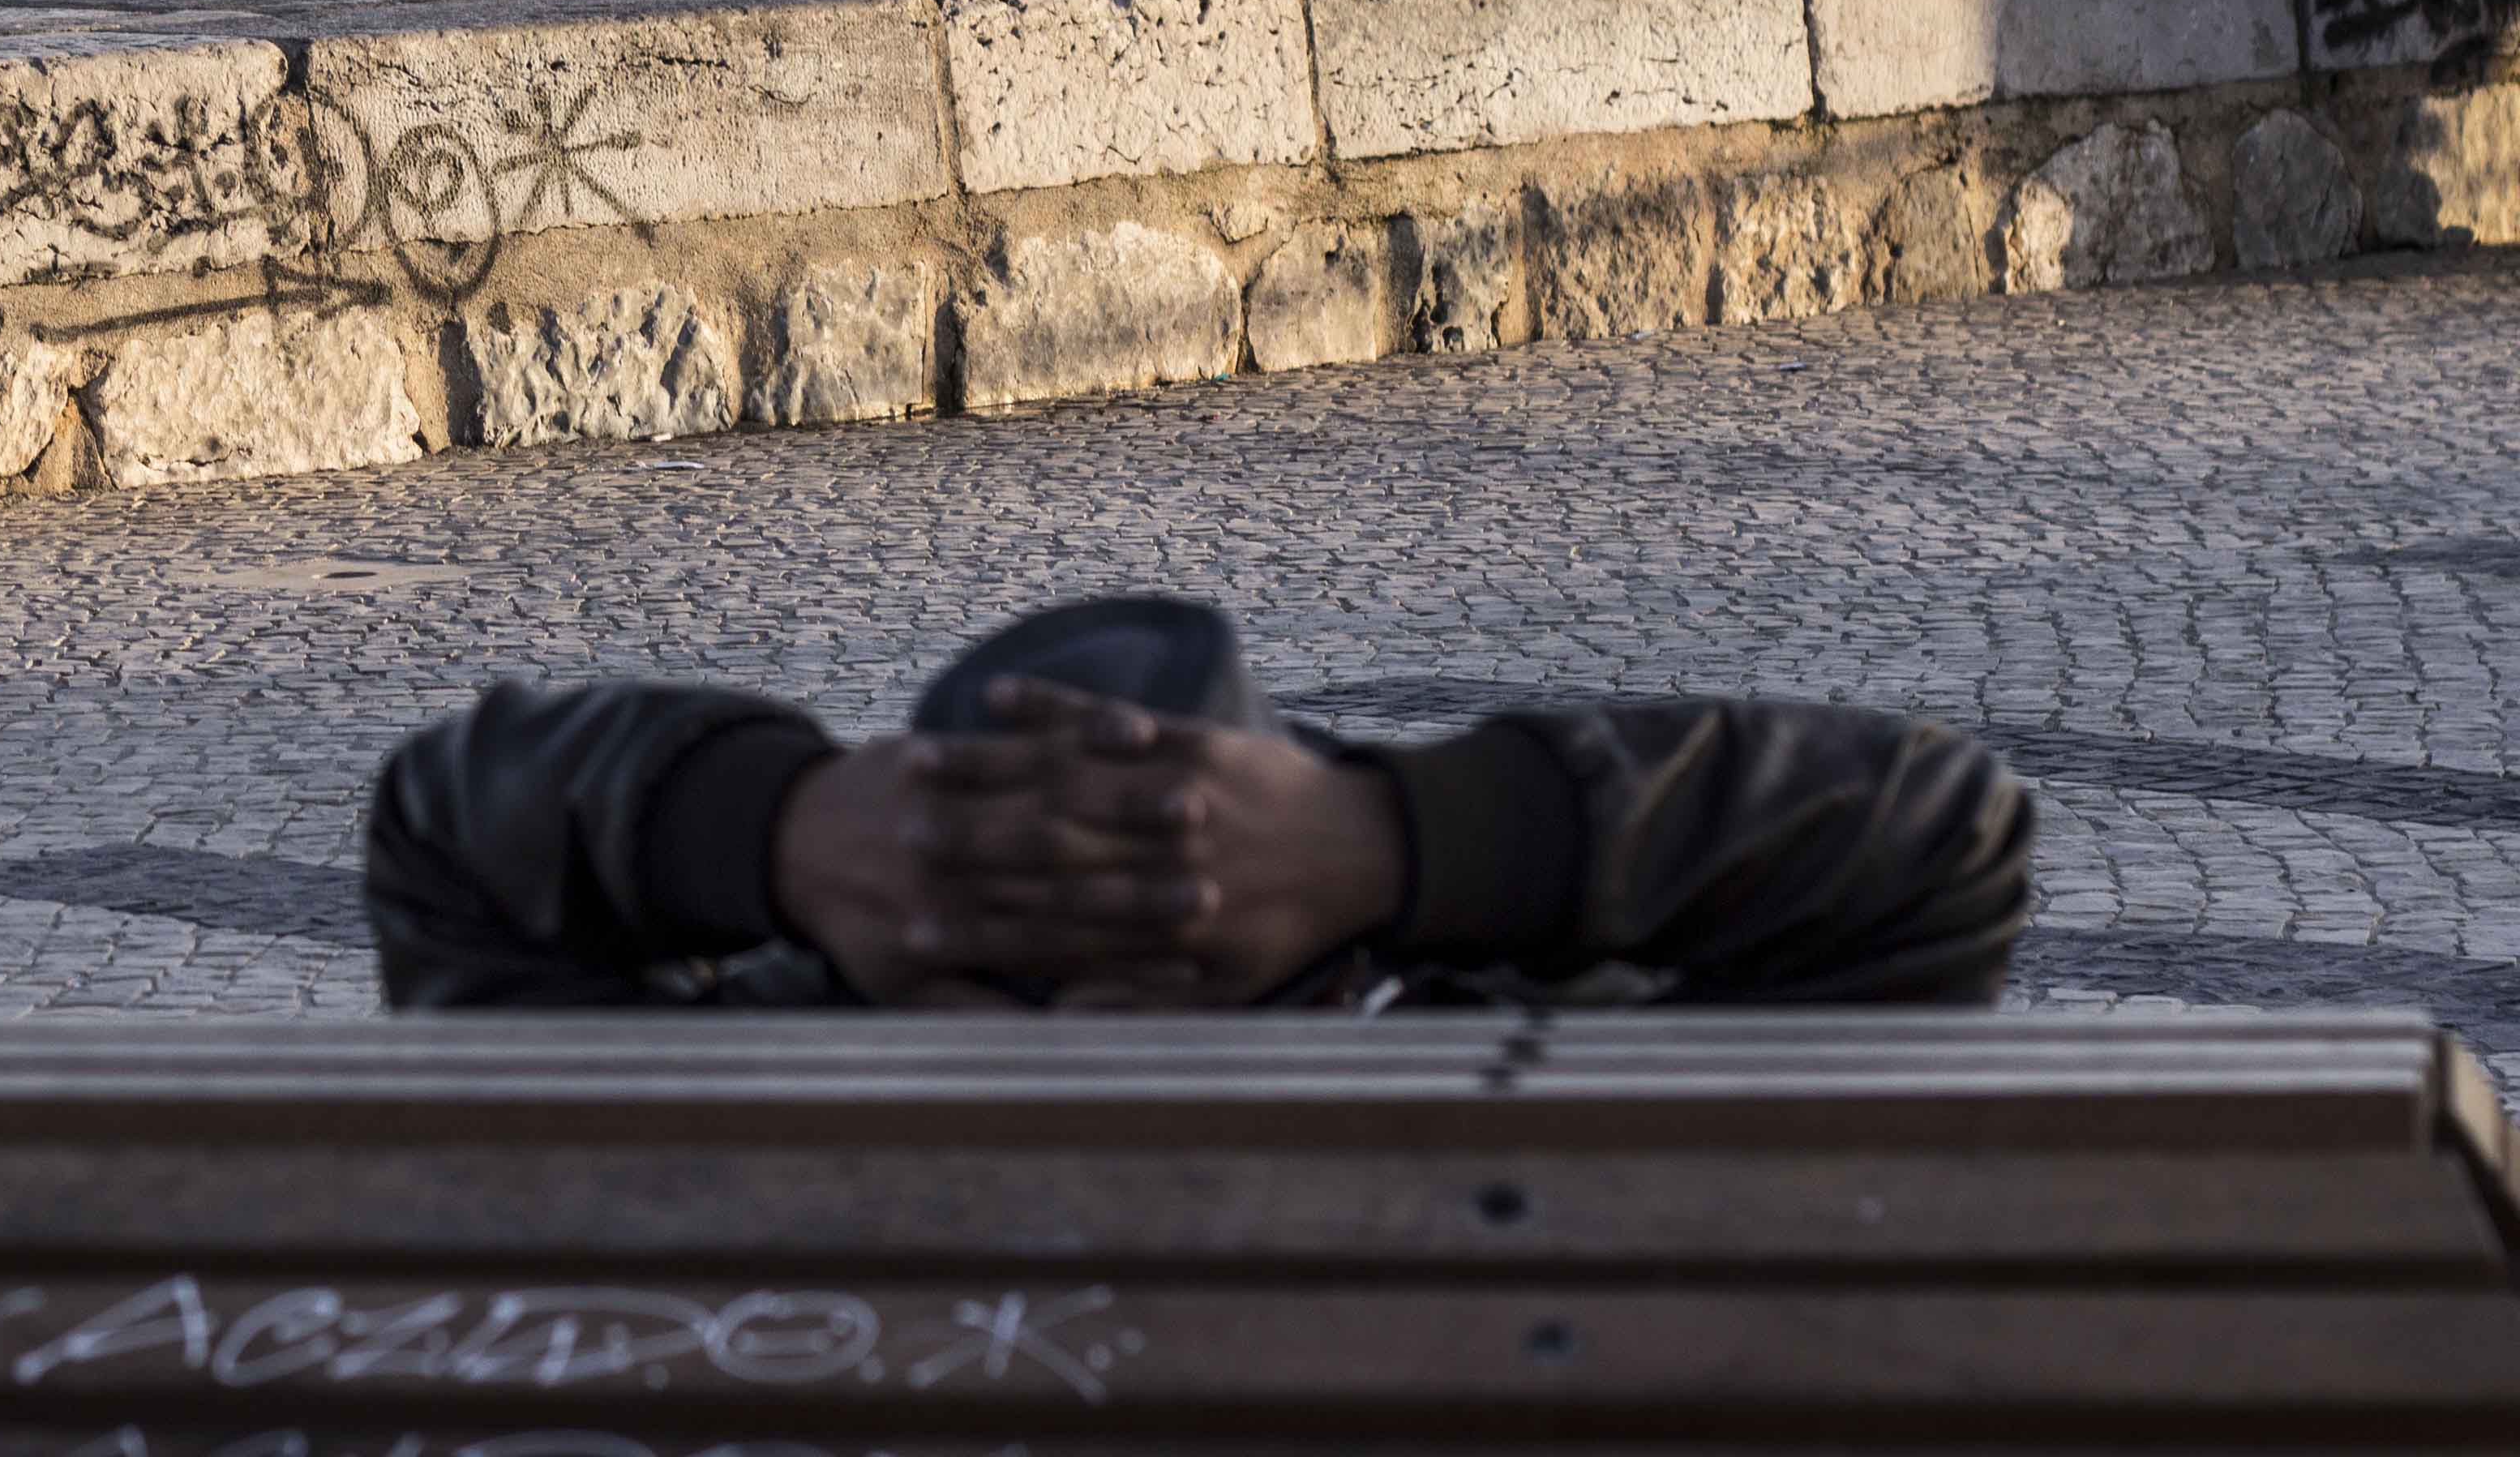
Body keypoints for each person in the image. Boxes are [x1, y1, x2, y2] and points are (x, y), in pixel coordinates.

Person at [366, 595, 2030, 1010]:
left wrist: (1385, 836)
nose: (1087, 1049)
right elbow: (1931, 852)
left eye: (1160, 944)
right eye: (1023, 952)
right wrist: (781, 828)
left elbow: (1944, 849)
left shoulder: (1480, 1104)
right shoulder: (1501, 1117)